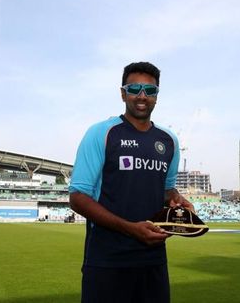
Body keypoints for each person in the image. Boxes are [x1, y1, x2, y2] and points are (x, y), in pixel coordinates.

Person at [69, 61, 193, 303]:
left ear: (157, 96)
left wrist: (178, 201)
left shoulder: (169, 141)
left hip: (153, 261)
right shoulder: (101, 133)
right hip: (107, 262)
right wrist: (131, 228)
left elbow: (166, 190)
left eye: (150, 90)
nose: (142, 96)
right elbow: (77, 197)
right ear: (123, 93)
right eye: (135, 89)